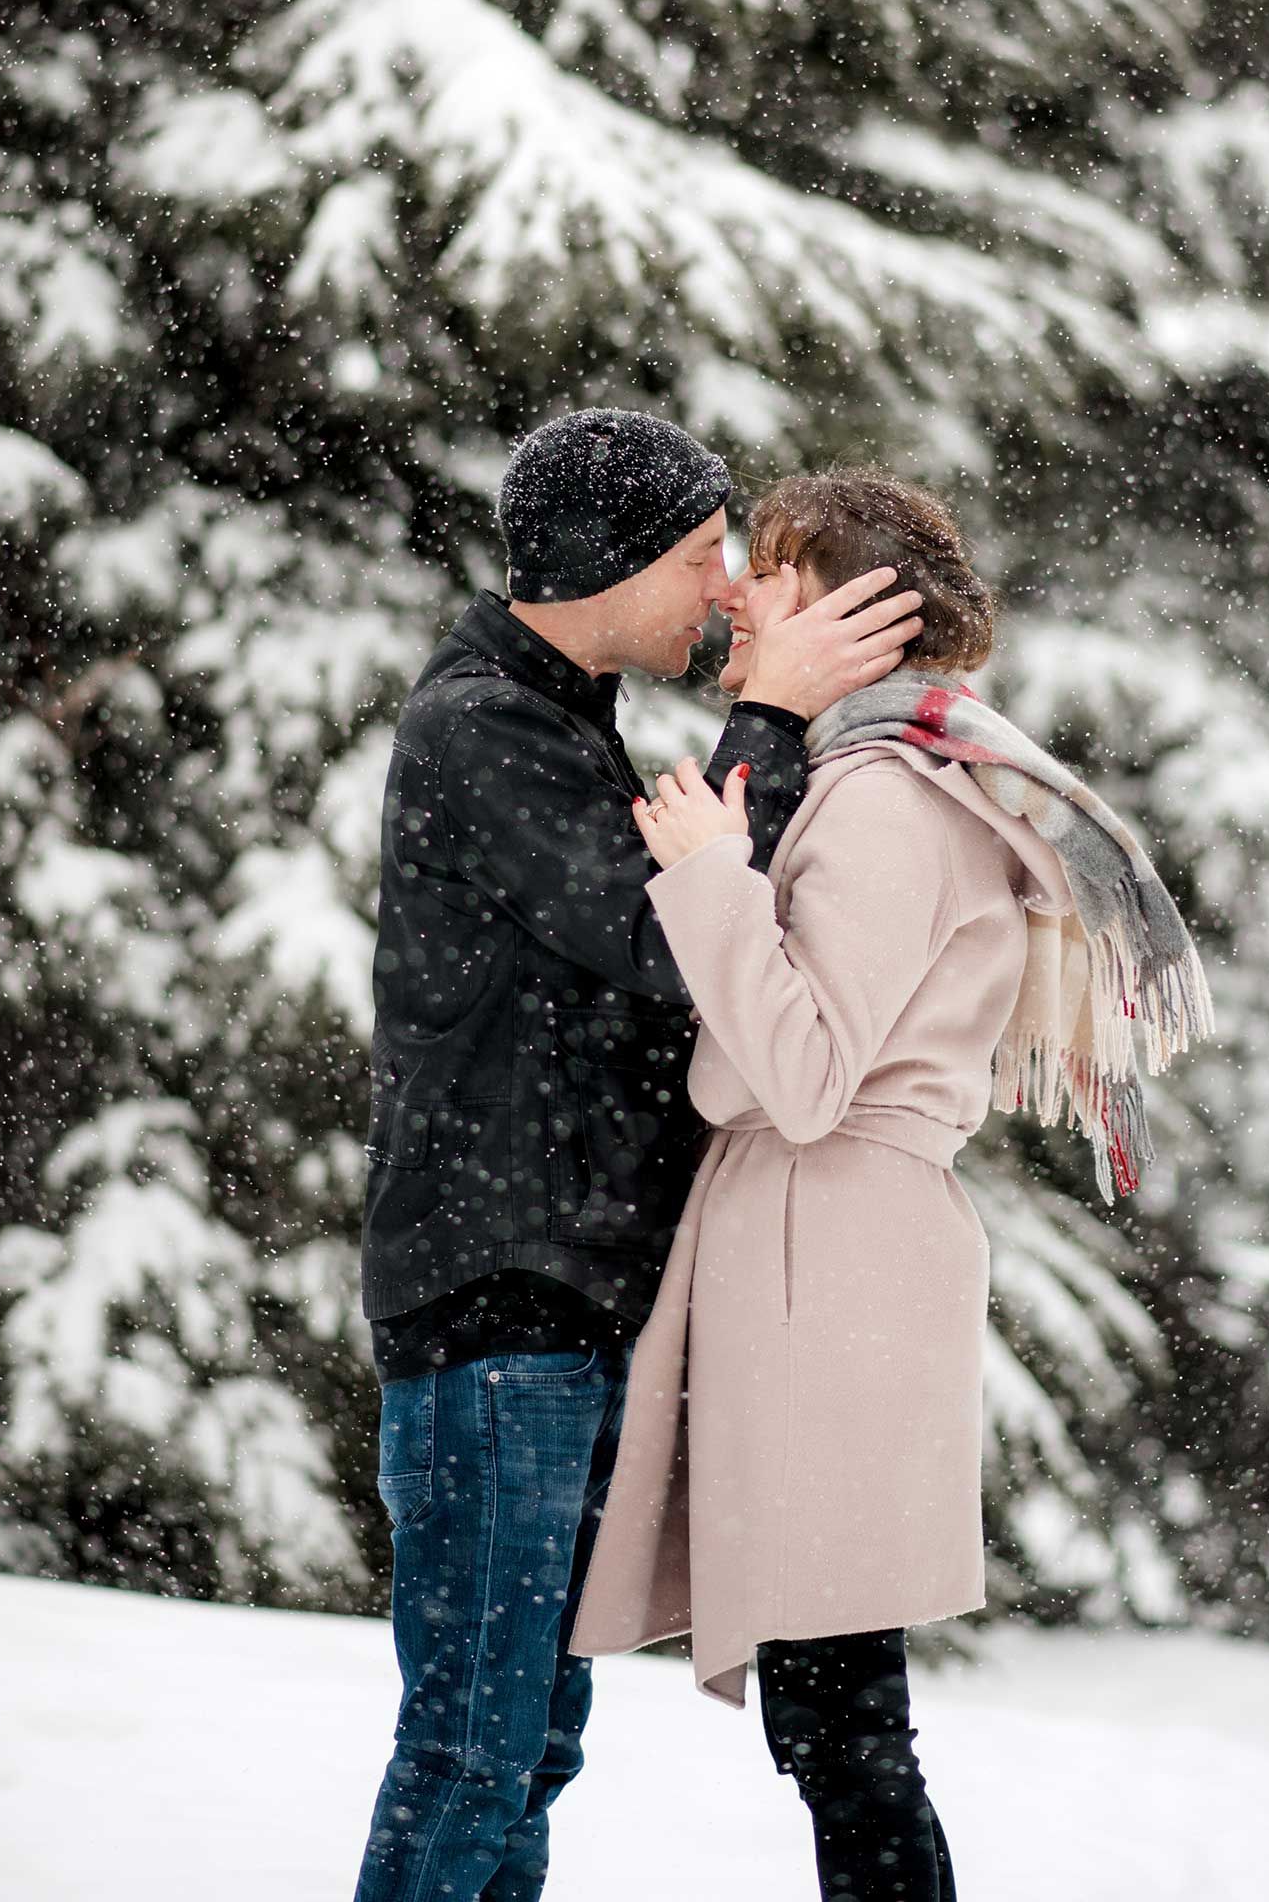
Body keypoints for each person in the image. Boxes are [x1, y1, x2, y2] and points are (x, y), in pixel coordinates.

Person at [571, 468, 1213, 1902]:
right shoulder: (900, 779)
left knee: (845, 1726)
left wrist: (713, 875)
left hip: (830, 1256)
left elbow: (784, 1076)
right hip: (836, 1250)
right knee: (840, 1721)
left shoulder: (883, 803)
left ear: (856, 612)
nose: (735, 592)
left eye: (772, 571)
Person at [353, 411, 927, 1902]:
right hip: (499, 1310)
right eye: (695, 556)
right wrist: (779, 716)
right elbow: (667, 928)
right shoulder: (480, 725)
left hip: (554, 1307)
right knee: (476, 1746)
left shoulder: (556, 718)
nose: (726, 589)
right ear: (604, 570)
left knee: (521, 1740)